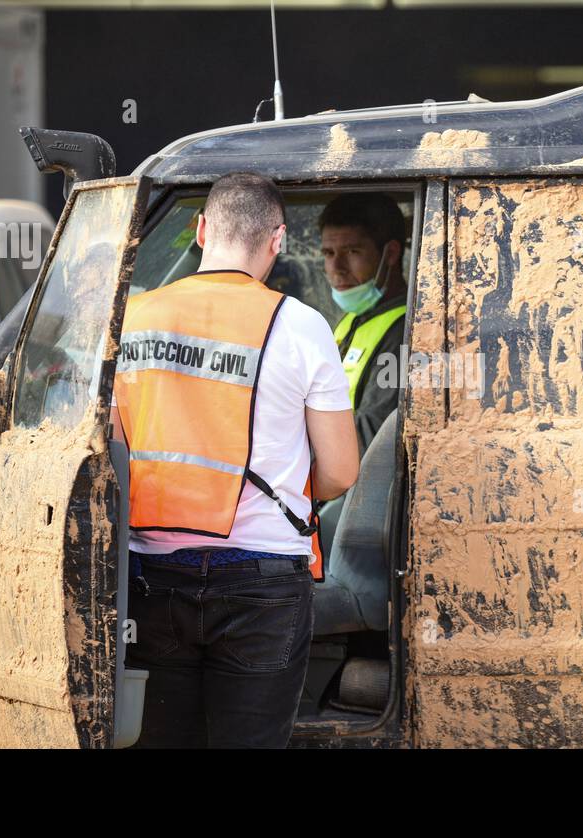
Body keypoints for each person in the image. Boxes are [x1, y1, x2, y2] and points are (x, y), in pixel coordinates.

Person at [111, 172, 359, 748]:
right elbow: (341, 471)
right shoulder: (300, 326)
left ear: (200, 231)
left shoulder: (134, 318)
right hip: (264, 584)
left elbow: (115, 454)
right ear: (277, 240)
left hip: (153, 580)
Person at [319, 194, 408, 457]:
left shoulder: (406, 331)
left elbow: (372, 435)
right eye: (328, 253)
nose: (337, 268)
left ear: (390, 253)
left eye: (352, 252)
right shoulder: (355, 318)